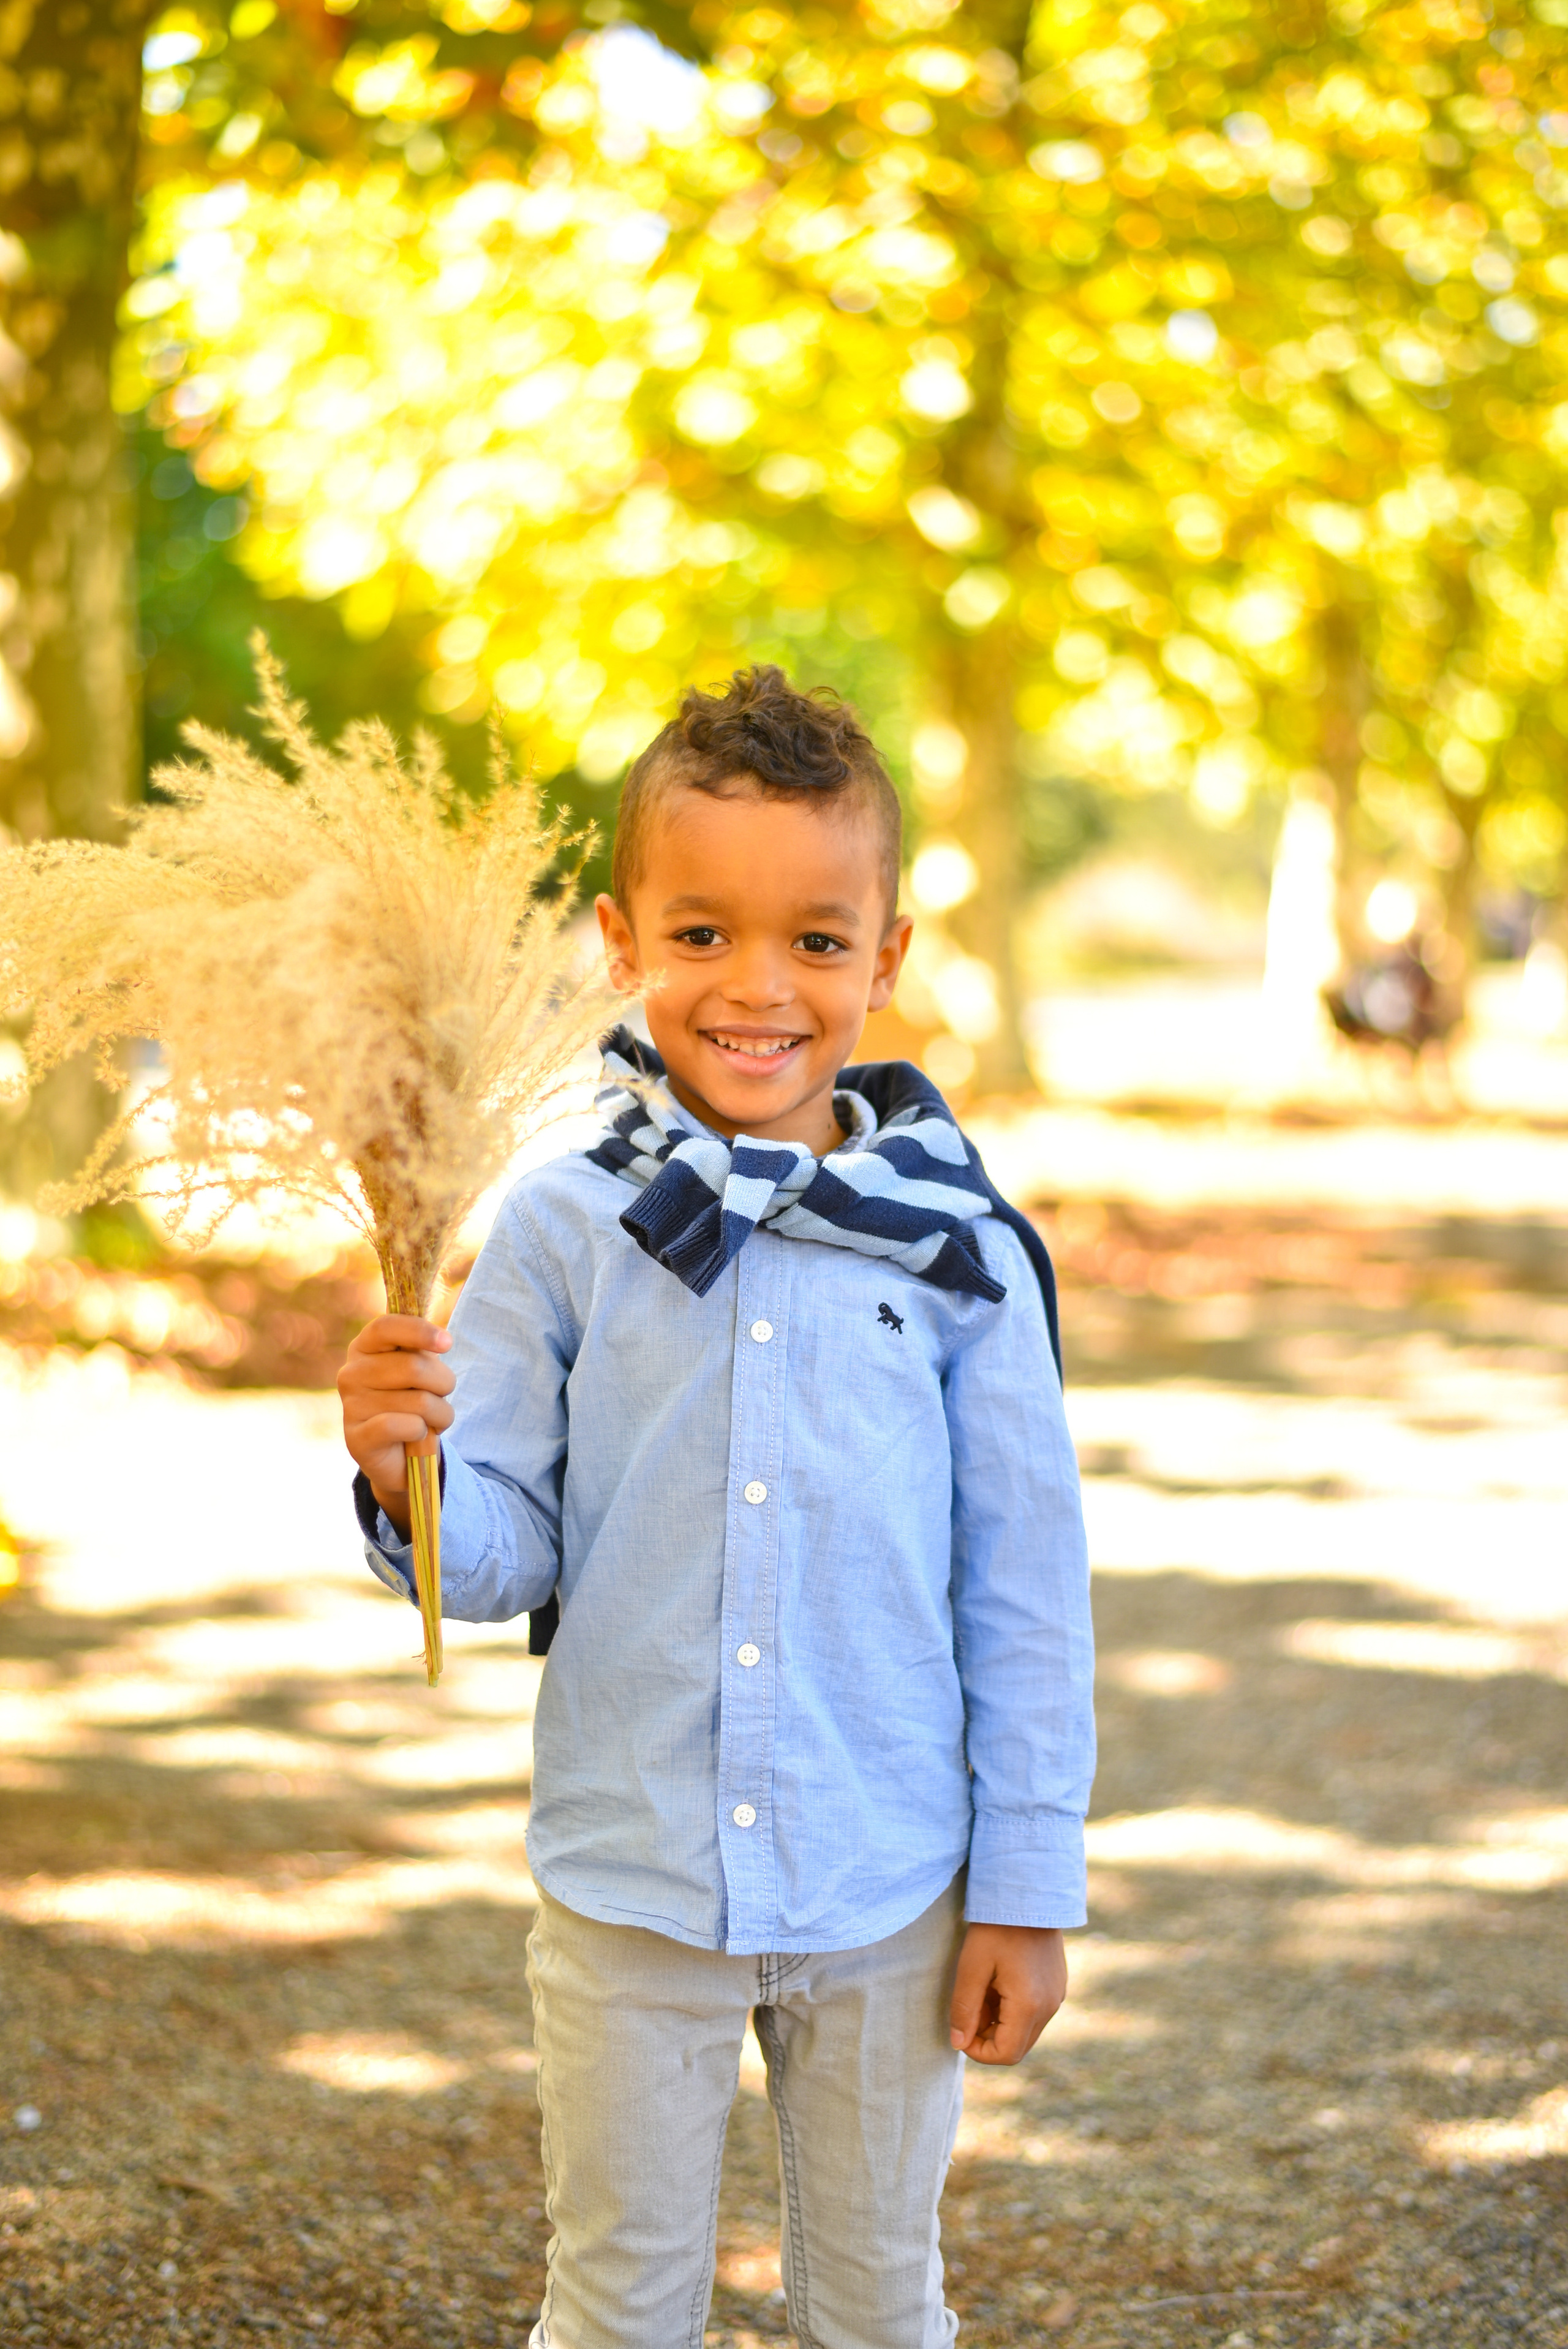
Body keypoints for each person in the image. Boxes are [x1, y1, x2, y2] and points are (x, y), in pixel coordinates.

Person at [337, 665, 1095, 2349]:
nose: (759, 986)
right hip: (635, 1880)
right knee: (615, 2300)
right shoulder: (559, 1227)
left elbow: (1024, 1584)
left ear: (886, 958)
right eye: (702, 936)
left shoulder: (961, 1247)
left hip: (891, 1876)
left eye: (818, 940)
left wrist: (1027, 1887)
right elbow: (513, 1552)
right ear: (622, 940)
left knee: (879, 2299)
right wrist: (408, 1470)